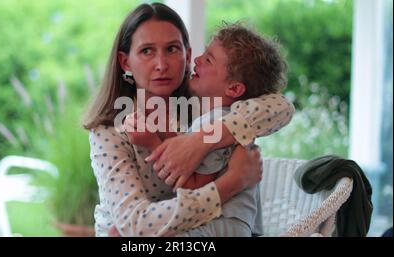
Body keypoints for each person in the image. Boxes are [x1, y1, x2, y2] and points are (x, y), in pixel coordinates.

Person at [83, 2, 294, 237]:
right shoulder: (110, 131)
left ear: (188, 55)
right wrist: (232, 183)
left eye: (172, 49)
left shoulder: (206, 107)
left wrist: (203, 140)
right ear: (125, 62)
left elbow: (282, 107)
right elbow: (135, 226)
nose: (161, 65)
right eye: (147, 51)